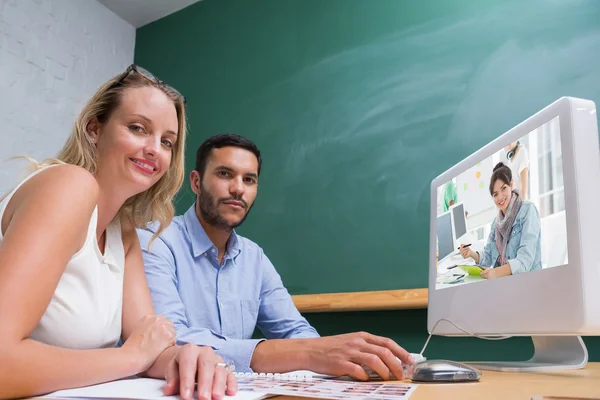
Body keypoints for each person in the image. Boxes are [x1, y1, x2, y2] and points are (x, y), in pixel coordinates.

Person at [0, 65, 236, 400]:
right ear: (94, 129)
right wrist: (129, 357)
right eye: (139, 128)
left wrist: (188, 358)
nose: (155, 149)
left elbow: (150, 344)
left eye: (167, 141)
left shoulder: (122, 232)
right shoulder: (68, 184)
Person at [138, 133, 415, 381]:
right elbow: (170, 341)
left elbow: (295, 331)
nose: (238, 189)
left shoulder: (254, 258)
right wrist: (307, 353)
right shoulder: (156, 241)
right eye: (225, 174)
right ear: (197, 182)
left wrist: (334, 356)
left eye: (249, 179)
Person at [459, 162, 541, 279]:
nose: (500, 197)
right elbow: (488, 256)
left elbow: (525, 261)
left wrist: (496, 272)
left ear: (511, 185)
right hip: (505, 284)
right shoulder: (496, 223)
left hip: (528, 282)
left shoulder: (528, 210)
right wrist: (471, 253)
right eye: (495, 194)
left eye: (504, 189)